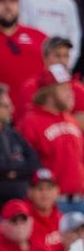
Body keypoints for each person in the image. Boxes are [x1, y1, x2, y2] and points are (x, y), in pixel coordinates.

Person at [17, 64, 84, 199]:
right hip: (51, 203)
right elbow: (26, 165)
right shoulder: (30, 122)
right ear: (49, 93)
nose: (71, 93)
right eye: (65, 88)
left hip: (79, 199)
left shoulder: (70, 119)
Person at [0, 85, 42, 212]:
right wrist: (17, 167)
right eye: (6, 106)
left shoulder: (13, 134)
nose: (12, 110)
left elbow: (34, 163)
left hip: (21, 207)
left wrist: (13, 172)